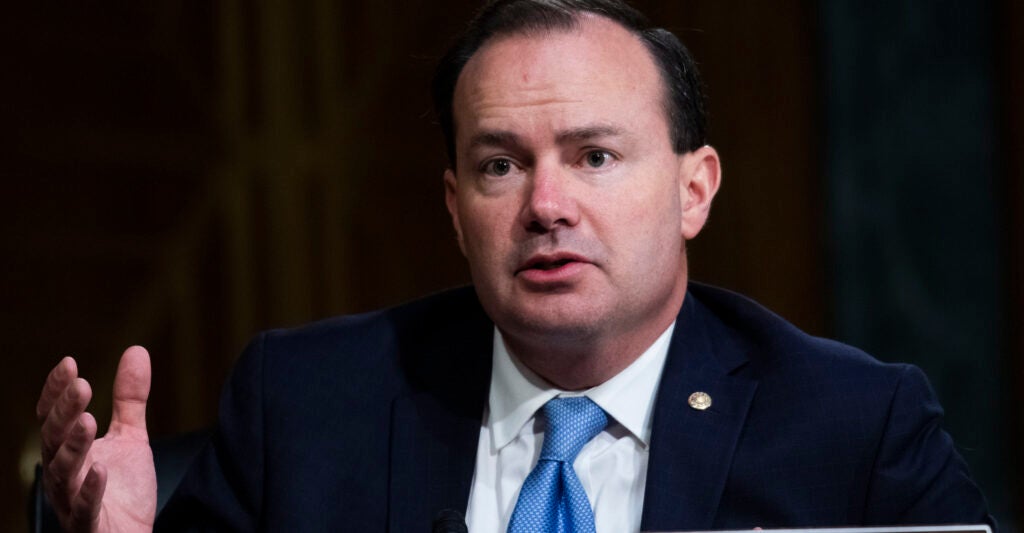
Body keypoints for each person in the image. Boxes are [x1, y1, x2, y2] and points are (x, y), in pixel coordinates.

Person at [36, 0, 994, 531]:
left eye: (594, 156)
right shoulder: (304, 404)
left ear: (695, 189)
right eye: (500, 164)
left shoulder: (856, 427)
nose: (545, 205)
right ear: (456, 208)